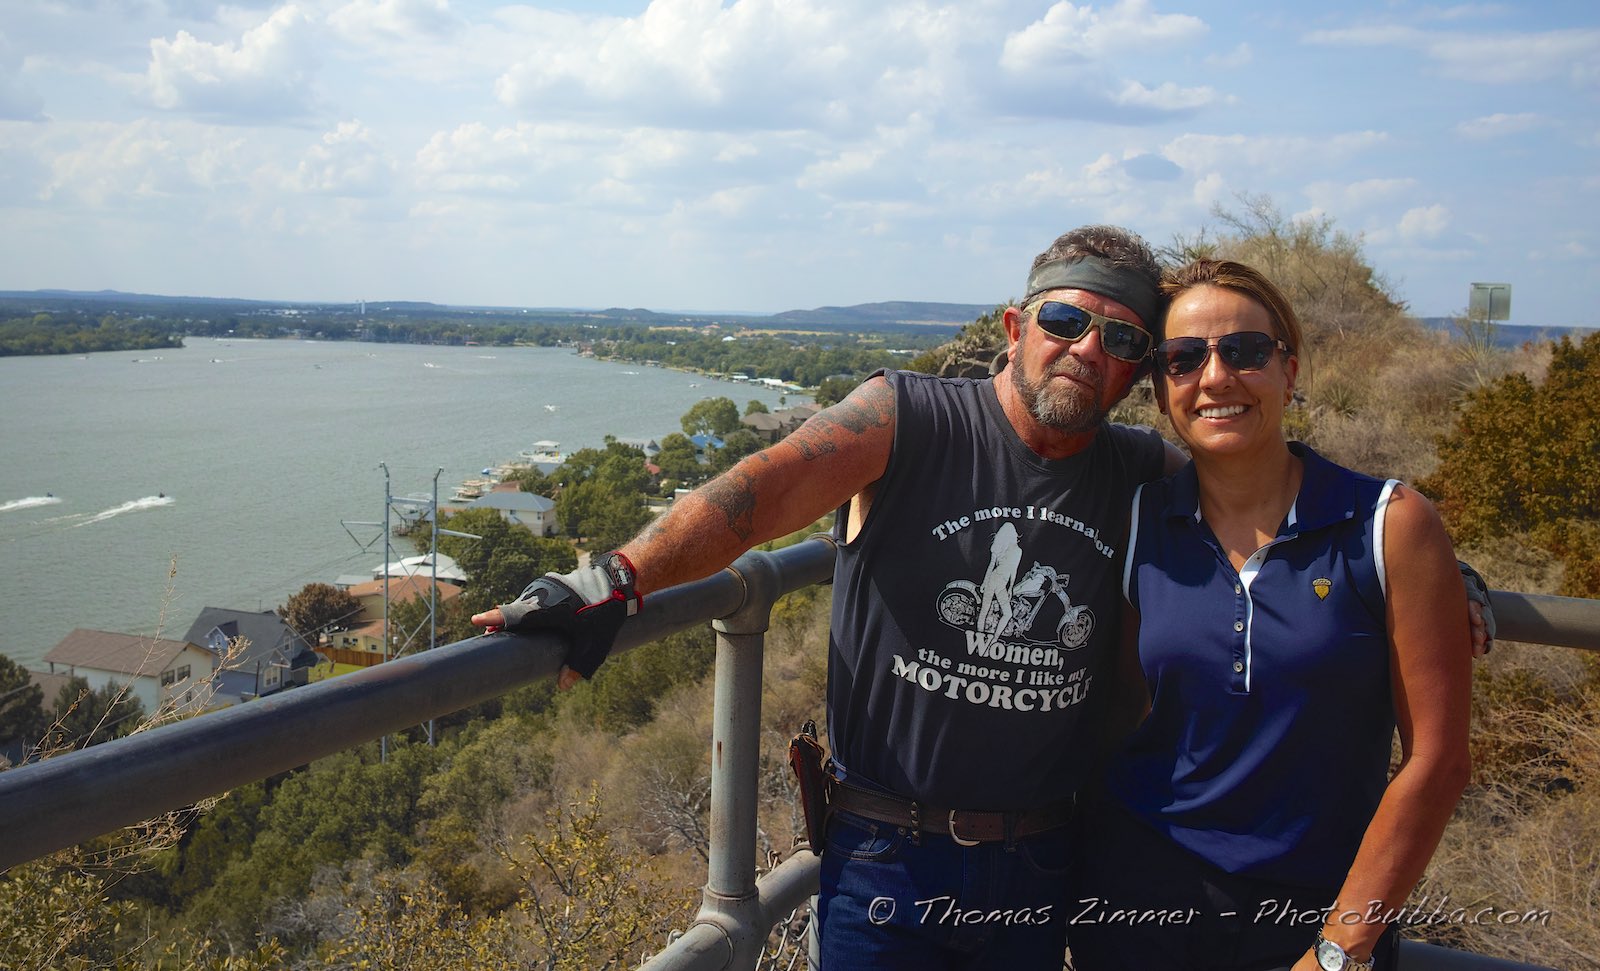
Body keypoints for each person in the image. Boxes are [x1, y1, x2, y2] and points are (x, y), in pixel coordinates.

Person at [473, 224, 1185, 968]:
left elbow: (1243, 508)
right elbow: (766, 488)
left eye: (1123, 339)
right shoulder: (910, 417)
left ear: (1140, 371)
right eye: (1066, 321)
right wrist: (612, 581)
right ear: (1017, 327)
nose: (1088, 349)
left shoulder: (1144, 472)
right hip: (886, 856)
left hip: (1040, 859)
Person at [1066, 259, 1473, 971]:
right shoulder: (1141, 520)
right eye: (1183, 358)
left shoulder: (1387, 525)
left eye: (1245, 351)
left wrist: (1340, 949)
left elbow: (1437, 762)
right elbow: (1124, 710)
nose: (1216, 377)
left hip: (1312, 914)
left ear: (1289, 371)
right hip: (1137, 903)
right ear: (1161, 390)